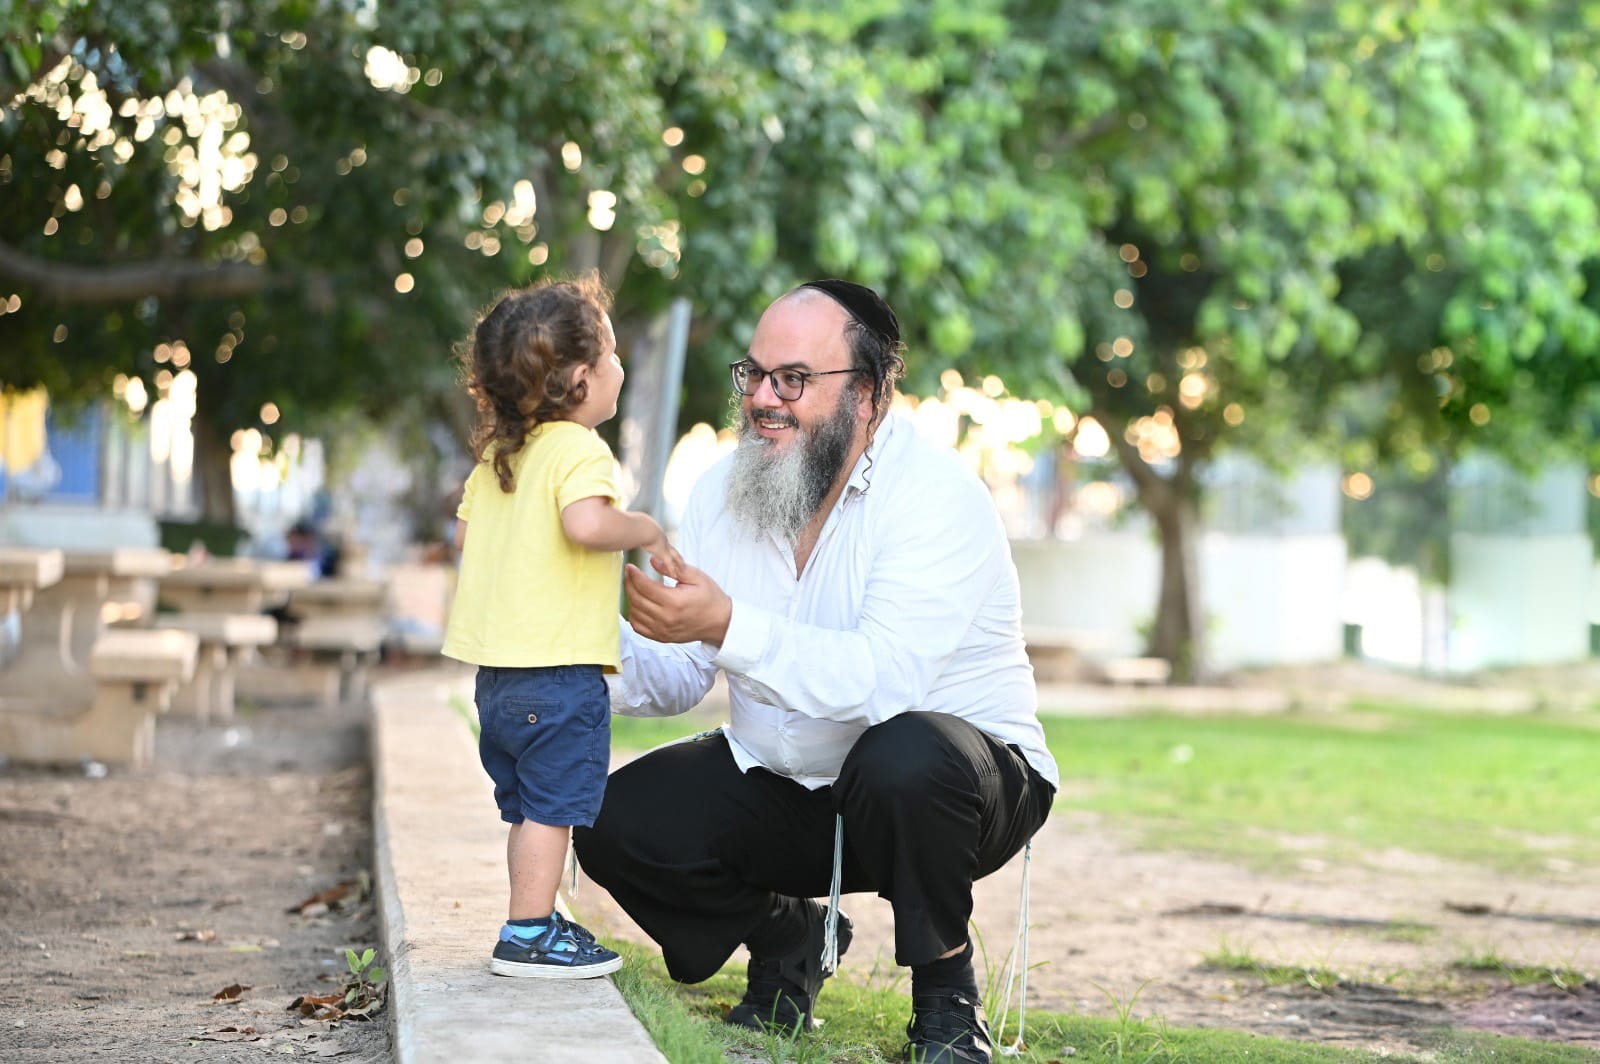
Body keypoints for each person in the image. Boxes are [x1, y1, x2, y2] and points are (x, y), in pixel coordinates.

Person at [573, 280, 1058, 1062]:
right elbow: (675, 675)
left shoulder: (936, 497)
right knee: (608, 818)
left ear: (865, 395)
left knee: (903, 755)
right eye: (754, 375)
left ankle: (946, 1011)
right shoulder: (722, 493)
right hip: (797, 786)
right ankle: (793, 935)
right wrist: (567, 644)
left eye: (792, 380)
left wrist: (729, 623)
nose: (763, 399)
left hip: (957, 786)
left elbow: (884, 683)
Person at [442, 273, 684, 980]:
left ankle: (531, 920)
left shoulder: (498, 458)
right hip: (560, 672)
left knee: (530, 810)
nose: (620, 367)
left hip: (498, 678)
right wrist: (641, 525)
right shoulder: (579, 451)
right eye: (611, 355)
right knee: (554, 810)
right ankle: (527, 933)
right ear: (579, 379)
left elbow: (467, 542)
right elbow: (585, 524)